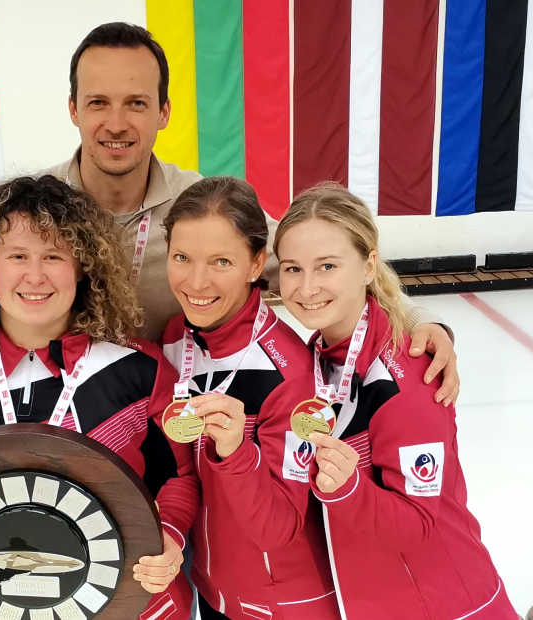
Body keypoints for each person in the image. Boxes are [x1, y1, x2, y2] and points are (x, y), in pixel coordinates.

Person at [0, 22, 460, 425]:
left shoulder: (207, 208)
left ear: (164, 111)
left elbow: (318, 270)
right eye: (98, 102)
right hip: (66, 427)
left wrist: (422, 326)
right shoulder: (27, 219)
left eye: (136, 102)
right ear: (73, 108)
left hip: (187, 422)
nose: (116, 122)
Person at [0, 176, 196, 619]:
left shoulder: (138, 369)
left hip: (120, 603)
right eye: (17, 256)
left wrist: (169, 534)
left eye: (54, 256)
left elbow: (177, 478)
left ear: (83, 266)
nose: (35, 276)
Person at [274, 184, 511, 620]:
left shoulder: (410, 378)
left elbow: (417, 525)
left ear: (367, 265)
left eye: (327, 266)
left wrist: (348, 490)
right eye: (292, 269)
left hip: (445, 605)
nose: (306, 288)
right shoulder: (318, 357)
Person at [155, 177, 339, 620]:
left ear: (257, 263)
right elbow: (185, 473)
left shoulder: (290, 375)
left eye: (221, 261)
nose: (196, 282)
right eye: (181, 258)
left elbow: (279, 529)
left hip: (284, 604)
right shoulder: (177, 337)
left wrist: (237, 453)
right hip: (213, 590)